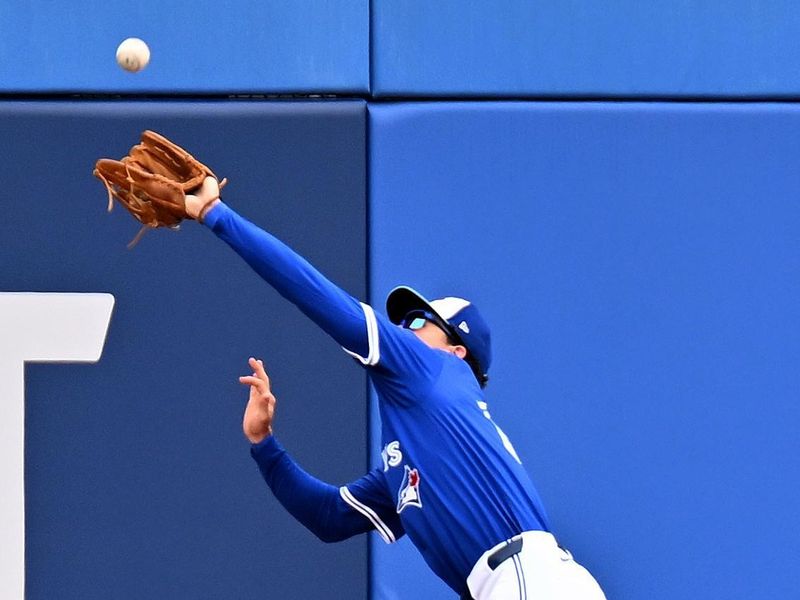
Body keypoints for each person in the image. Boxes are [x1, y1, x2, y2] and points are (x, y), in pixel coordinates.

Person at [186, 177, 606, 599]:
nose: (406, 327)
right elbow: (329, 517)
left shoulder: (436, 370)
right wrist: (264, 444)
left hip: (526, 578)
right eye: (406, 322)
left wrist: (216, 216)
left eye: (422, 322)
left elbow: (316, 294)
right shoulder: (408, 451)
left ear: (457, 351)